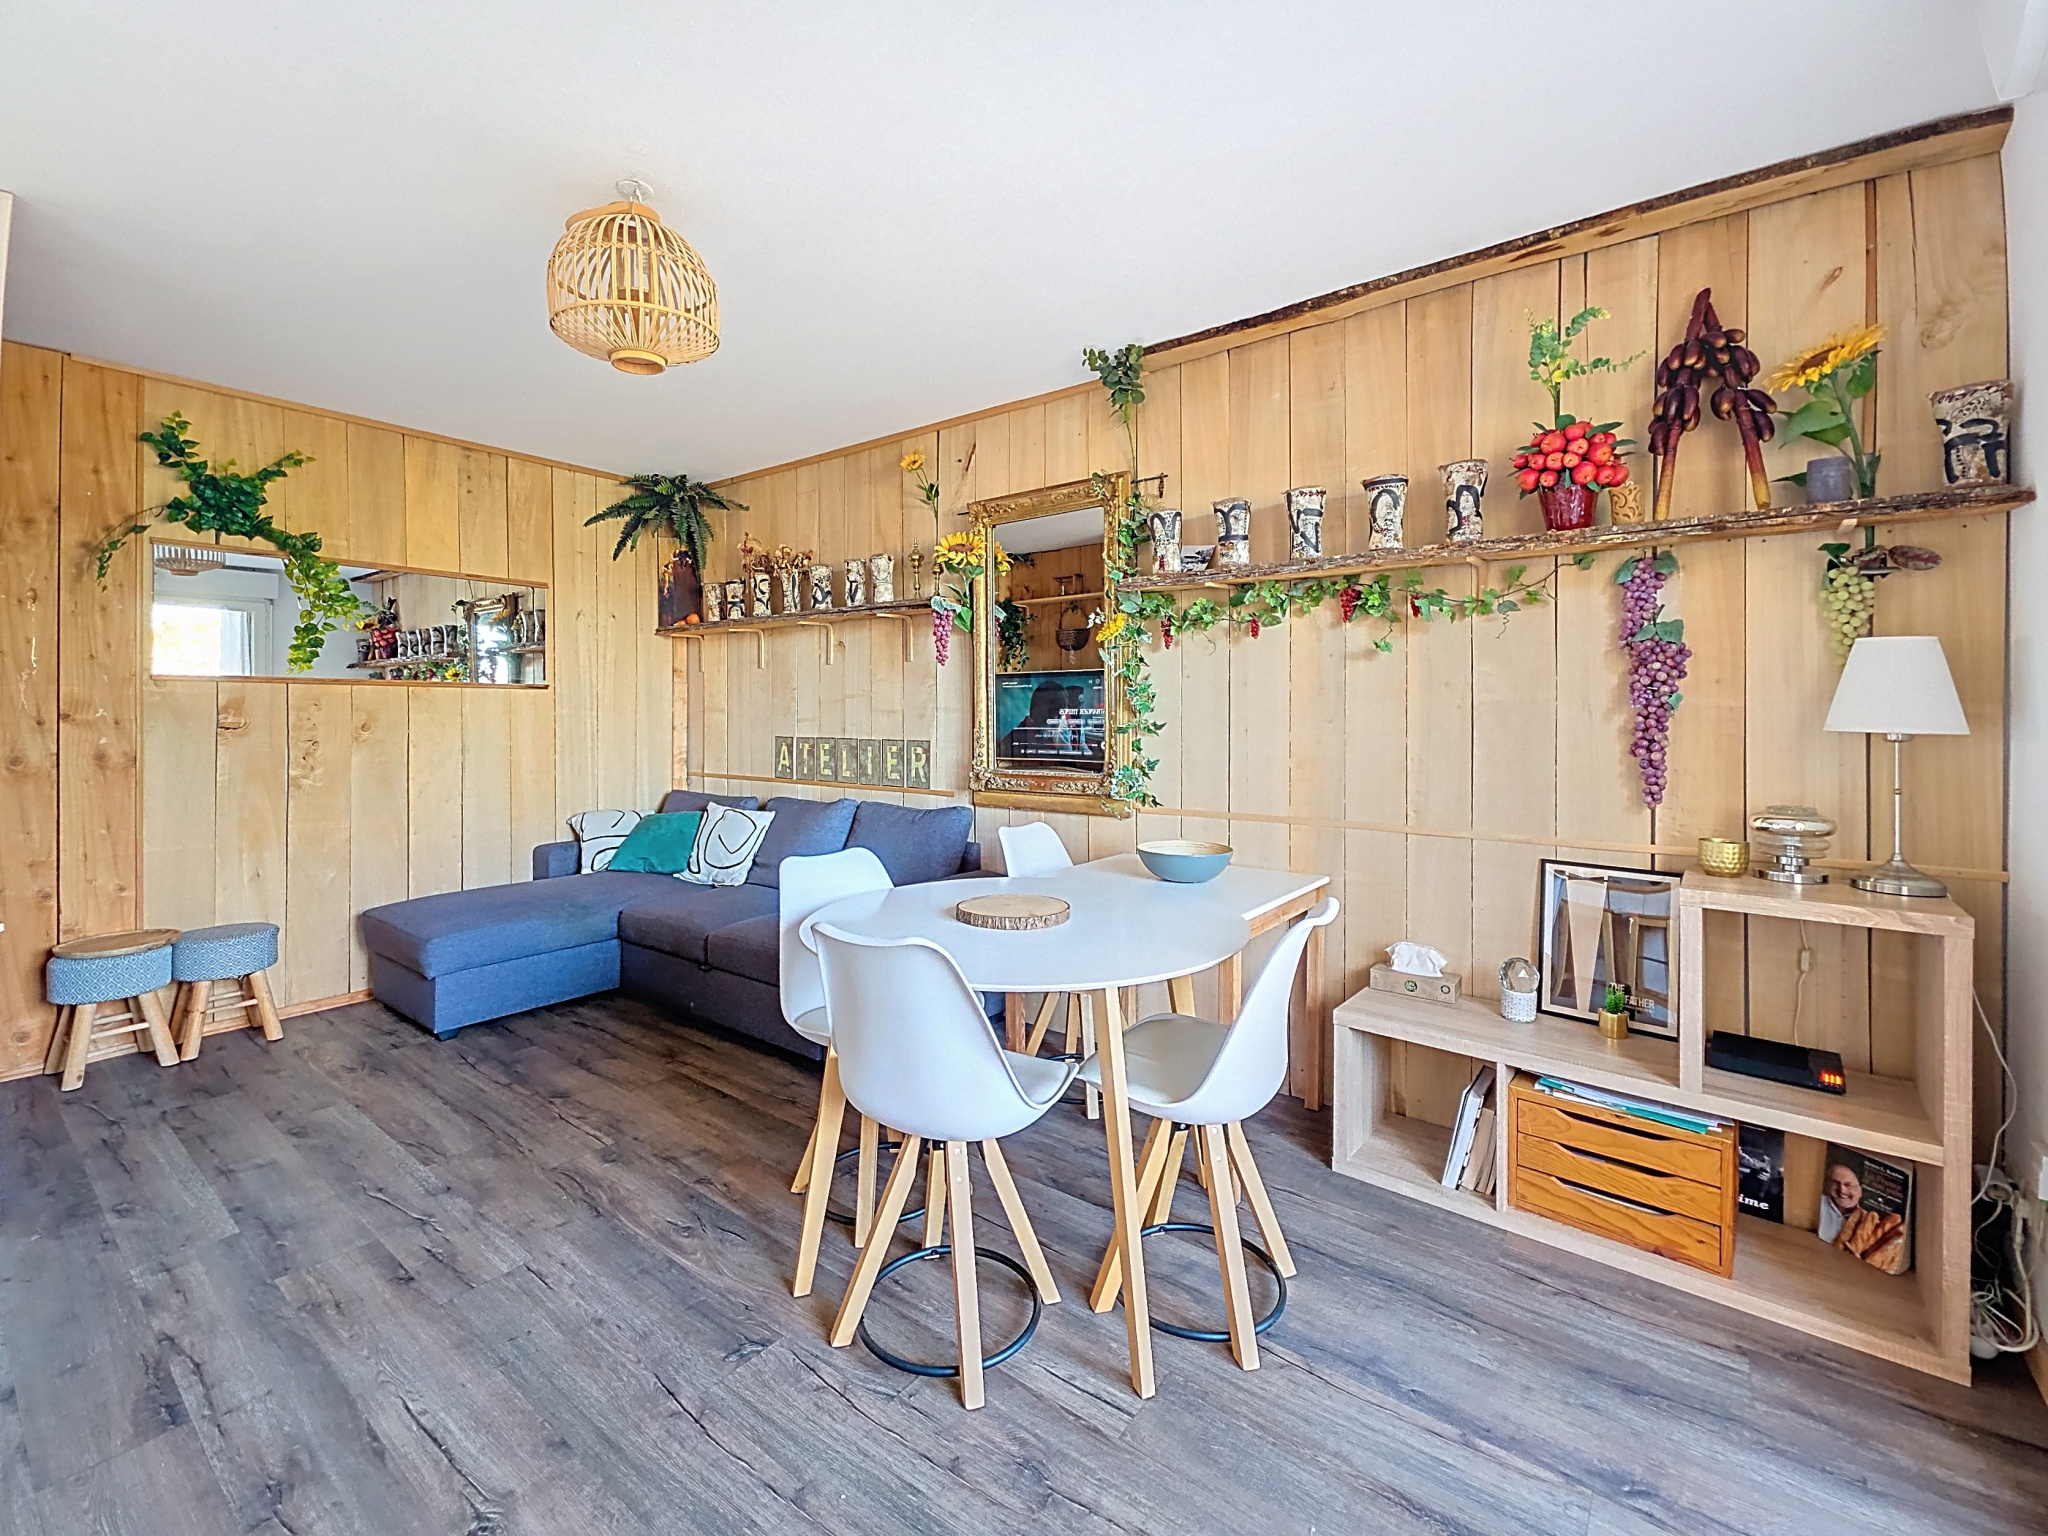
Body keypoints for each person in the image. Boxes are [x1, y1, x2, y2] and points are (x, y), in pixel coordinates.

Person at [1817, 1158, 1863, 1242]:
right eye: (1836, 1183)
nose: (1842, 1190)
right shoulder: (1816, 1203)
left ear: (1860, 1191)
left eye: (1848, 1185)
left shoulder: (1866, 1221)